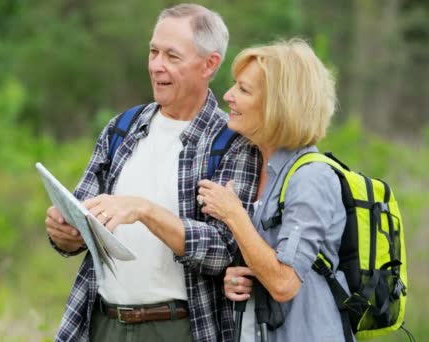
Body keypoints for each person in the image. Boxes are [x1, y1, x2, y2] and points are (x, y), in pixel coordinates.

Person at [45, 4, 261, 342]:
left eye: (172, 56)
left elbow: (225, 250)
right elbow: (81, 216)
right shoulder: (122, 128)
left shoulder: (234, 142)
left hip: (180, 328)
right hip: (101, 322)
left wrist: (145, 211)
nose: (156, 65)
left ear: (209, 64)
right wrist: (64, 232)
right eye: (153, 51)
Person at [197, 39, 354, 341]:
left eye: (243, 90)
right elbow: (268, 267)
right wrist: (239, 279)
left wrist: (233, 215)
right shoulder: (262, 170)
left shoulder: (311, 178)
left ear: (278, 106)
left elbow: (284, 283)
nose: (228, 96)